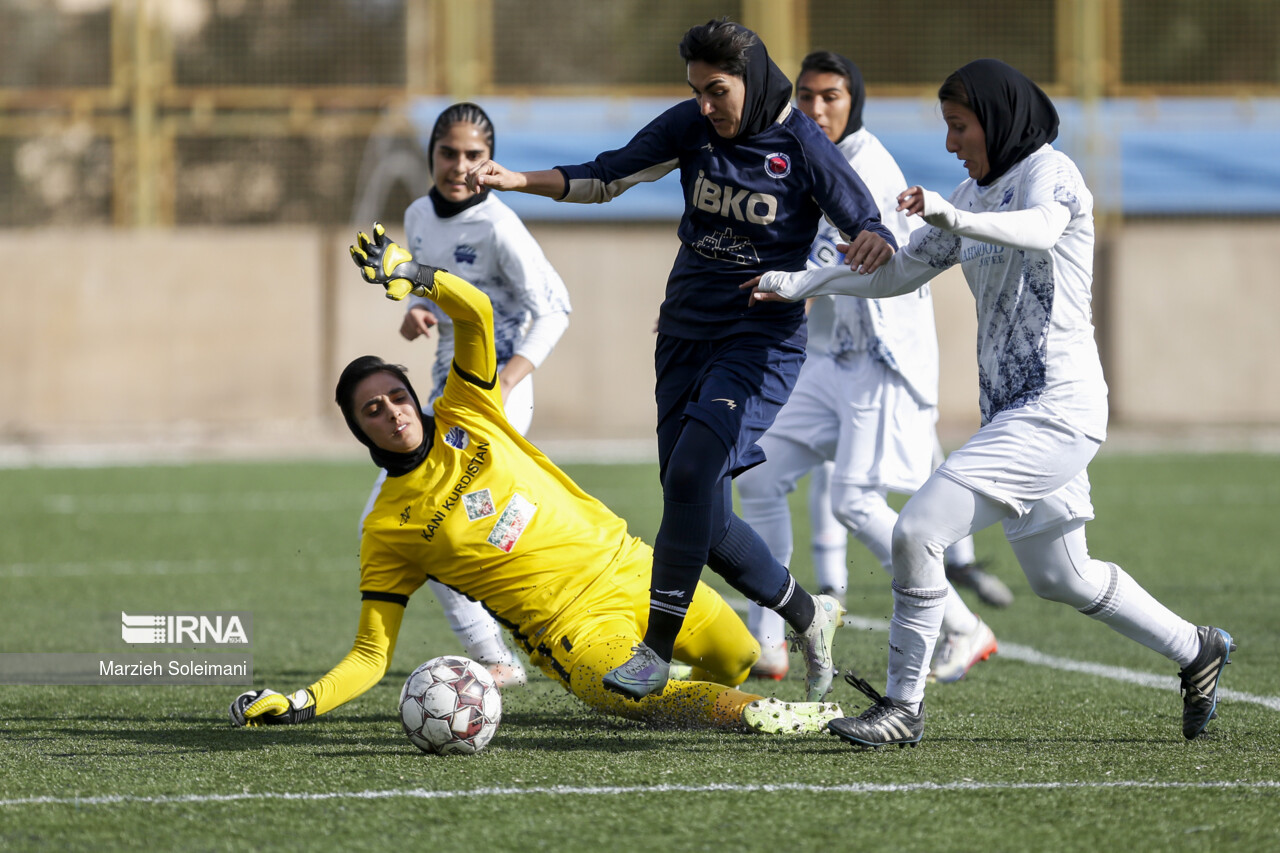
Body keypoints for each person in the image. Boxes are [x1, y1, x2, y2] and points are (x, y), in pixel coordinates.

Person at [746, 59, 1234, 745]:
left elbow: (1038, 229)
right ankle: (1197, 647)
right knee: (1064, 575)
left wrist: (949, 212)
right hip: (1014, 411)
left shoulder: (1048, 172)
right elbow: (901, 269)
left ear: (998, 120)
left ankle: (903, 707)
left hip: (1056, 407)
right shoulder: (972, 190)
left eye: (959, 126)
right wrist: (803, 283)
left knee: (917, 530)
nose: (951, 143)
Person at [227, 224, 843, 736]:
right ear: (358, 431)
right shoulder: (387, 528)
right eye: (372, 411)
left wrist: (415, 275)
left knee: (736, 656)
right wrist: (303, 701)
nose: (392, 412)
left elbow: (476, 313)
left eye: (396, 396)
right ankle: (763, 716)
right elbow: (370, 655)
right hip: (571, 631)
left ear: (416, 396)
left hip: (634, 570)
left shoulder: (466, 410)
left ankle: (724, 689)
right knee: (638, 697)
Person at [464, 19, 897, 703]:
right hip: (683, 333)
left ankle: (654, 650)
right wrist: (516, 178)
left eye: (716, 90)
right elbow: (607, 176)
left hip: (760, 341)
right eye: (695, 90)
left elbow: (866, 221)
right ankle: (812, 616)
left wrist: (872, 240)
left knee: (694, 471)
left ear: (750, 80)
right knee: (699, 504)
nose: (704, 105)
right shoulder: (691, 127)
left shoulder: (801, 143)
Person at [737, 51, 1008, 686]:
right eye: (806, 96)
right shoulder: (797, 156)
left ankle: (965, 626)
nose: (817, 108)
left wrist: (781, 282)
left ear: (853, 100)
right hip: (828, 360)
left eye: (831, 96)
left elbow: (874, 261)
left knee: (857, 501)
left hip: (882, 360)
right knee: (756, 472)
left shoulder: (870, 166)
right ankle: (769, 641)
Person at [367, 102, 573, 689]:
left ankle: (507, 651)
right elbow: (431, 289)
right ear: (431, 154)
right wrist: (416, 311)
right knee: (445, 525)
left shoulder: (499, 226)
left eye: (474, 156)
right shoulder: (417, 214)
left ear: (490, 161)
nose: (460, 166)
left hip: (498, 395)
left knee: (428, 522)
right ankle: (517, 646)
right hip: (444, 392)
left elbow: (555, 308)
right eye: (449, 153)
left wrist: (507, 380)